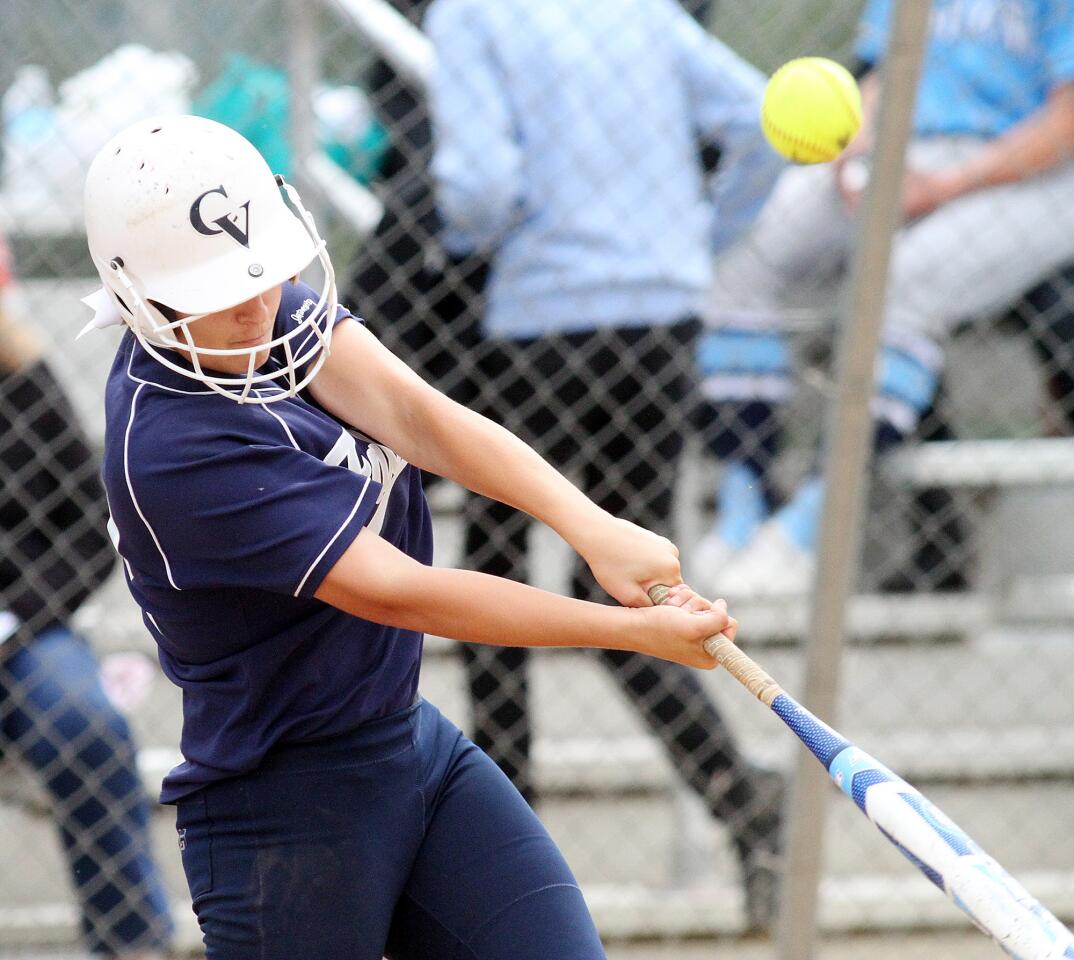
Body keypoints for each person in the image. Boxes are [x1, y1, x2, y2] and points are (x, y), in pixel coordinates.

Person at [79, 113, 739, 960]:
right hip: (283, 818)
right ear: (142, 296)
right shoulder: (172, 445)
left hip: (412, 752)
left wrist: (594, 526)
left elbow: (416, 414)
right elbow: (399, 591)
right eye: (217, 293)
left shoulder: (270, 313)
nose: (254, 305)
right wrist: (629, 633)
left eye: (265, 274)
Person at [423, 0, 787, 931]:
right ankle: (744, 803)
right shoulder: (641, 13)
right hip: (658, 326)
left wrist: (474, 242)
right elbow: (759, 118)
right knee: (641, 586)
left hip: (542, 326)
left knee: (495, 592)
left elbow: (476, 186)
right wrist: (688, 246)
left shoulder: (474, 15)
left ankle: (502, 855)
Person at [694, 0, 1074, 597]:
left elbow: (1065, 123)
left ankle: (807, 531)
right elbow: (880, 81)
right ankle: (742, 506)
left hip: (1033, 178)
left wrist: (945, 185)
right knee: (752, 245)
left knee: (903, 275)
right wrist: (857, 151)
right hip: (905, 153)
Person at [0, 237, 173, 959]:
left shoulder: (19, 379)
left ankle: (131, 941)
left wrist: (14, 622)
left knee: (85, 719)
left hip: (20, 633)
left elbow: (88, 530)